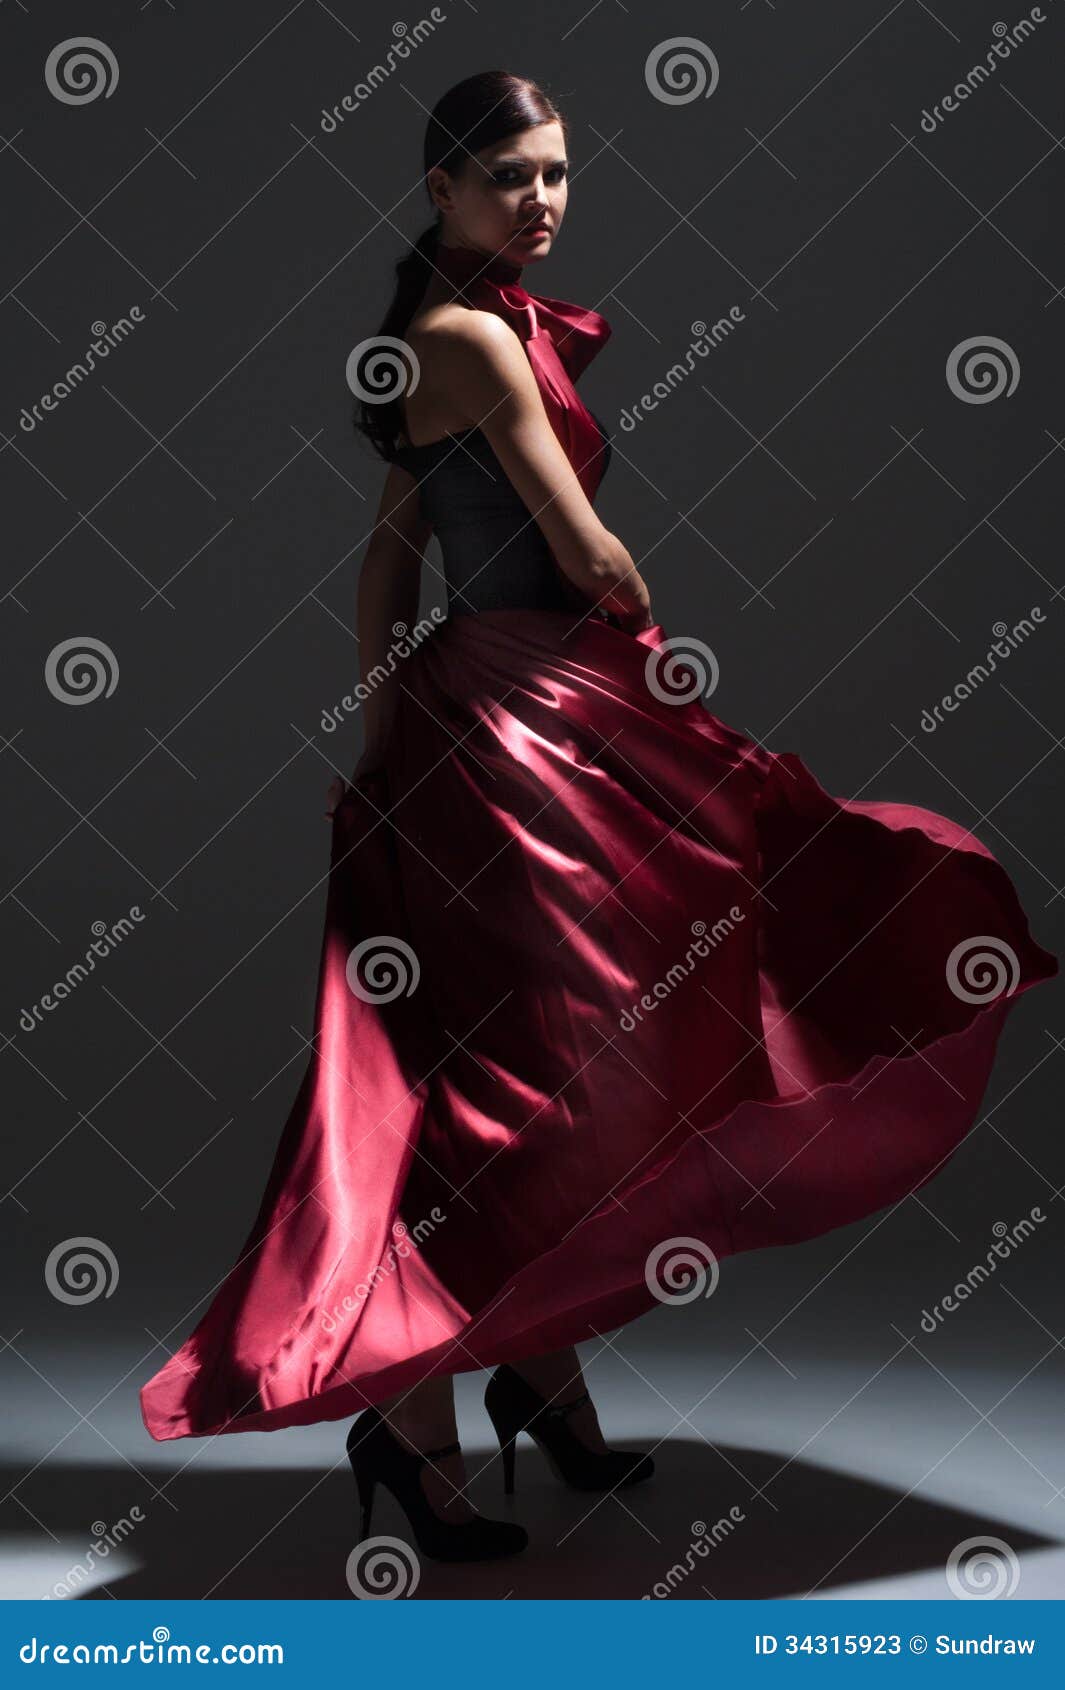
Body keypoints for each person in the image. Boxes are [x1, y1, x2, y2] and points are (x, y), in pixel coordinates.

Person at [140, 71, 1057, 1567]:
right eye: (509, 177)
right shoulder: (483, 345)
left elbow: (388, 559)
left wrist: (386, 726)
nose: (543, 201)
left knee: (508, 1048)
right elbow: (593, 552)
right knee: (560, 1053)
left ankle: (538, 1372)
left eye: (558, 174)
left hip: (466, 713)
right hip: (529, 718)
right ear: (440, 189)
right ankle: (419, 1422)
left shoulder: (413, 342)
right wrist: (632, 626)